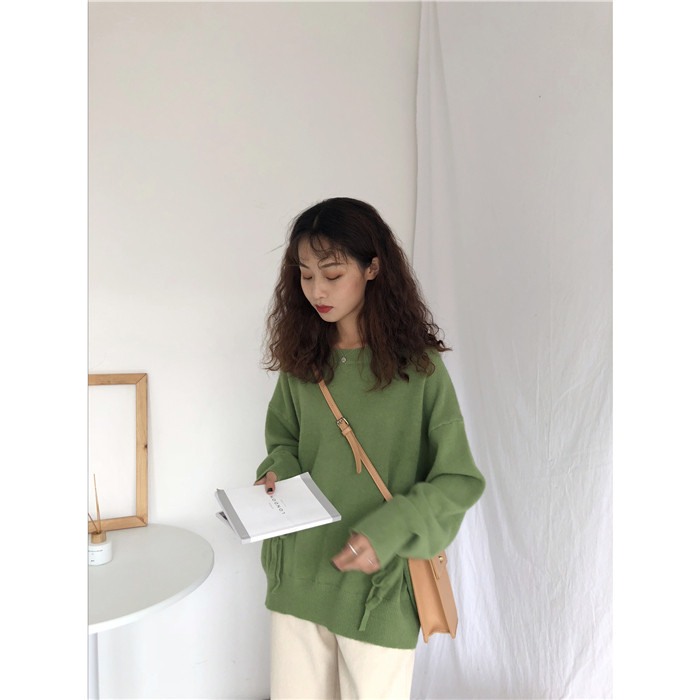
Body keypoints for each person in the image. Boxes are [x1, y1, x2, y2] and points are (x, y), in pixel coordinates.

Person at [254, 197, 485, 699]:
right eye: (305, 274)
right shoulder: (303, 362)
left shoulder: (418, 371)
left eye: (332, 274)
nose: (316, 290)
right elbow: (284, 442)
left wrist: (389, 529)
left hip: (378, 587)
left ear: (373, 267)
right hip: (299, 576)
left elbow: (458, 479)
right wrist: (276, 472)